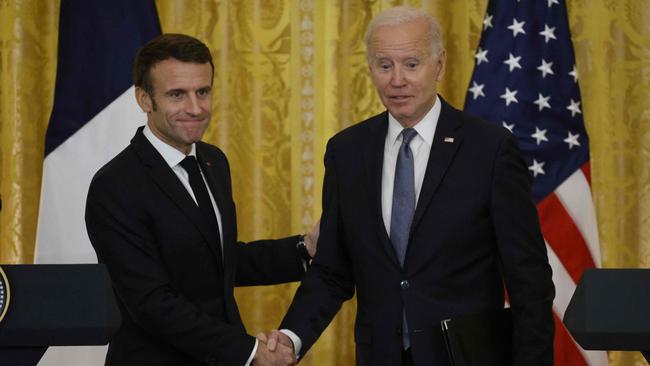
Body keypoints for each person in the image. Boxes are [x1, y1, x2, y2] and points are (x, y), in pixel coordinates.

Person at [261, 6, 555, 366]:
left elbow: (530, 280)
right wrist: (291, 339)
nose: (397, 80)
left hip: (467, 355)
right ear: (370, 69)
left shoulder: (489, 150)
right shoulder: (346, 152)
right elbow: (332, 270)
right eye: (385, 66)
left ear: (440, 65)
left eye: (411, 64)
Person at [85, 33, 316, 366]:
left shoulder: (212, 161)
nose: (195, 108)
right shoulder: (116, 185)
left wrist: (304, 249)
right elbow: (152, 303)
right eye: (177, 94)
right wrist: (250, 353)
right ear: (144, 100)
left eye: (202, 92)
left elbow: (216, 259)